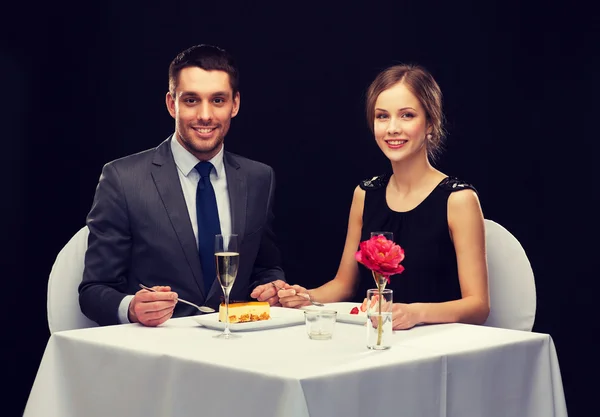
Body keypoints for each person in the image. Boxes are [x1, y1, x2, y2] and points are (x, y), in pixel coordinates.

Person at [270, 64, 490, 330]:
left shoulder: (458, 200)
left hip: (438, 345)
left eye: (407, 115)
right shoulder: (365, 194)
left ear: (430, 123)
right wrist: (305, 296)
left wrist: (415, 313)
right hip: (377, 340)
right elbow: (344, 285)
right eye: (382, 116)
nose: (392, 128)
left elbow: (478, 306)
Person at [79, 44, 285, 327]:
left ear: (234, 104)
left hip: (239, 349)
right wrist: (130, 307)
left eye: (217, 100)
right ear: (171, 103)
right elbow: (93, 291)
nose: (204, 115)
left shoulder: (259, 178)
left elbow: (265, 268)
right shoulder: (122, 179)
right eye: (191, 100)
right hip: (159, 356)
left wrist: (274, 287)